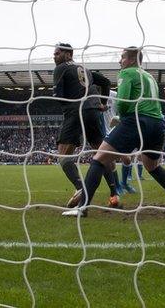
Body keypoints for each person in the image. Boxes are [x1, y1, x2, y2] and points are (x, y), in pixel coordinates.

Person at [63, 47, 165, 217]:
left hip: (137, 121)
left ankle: (82, 208)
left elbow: (122, 102)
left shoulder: (127, 73)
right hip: (157, 124)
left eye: (122, 57)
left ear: (131, 60)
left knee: (98, 160)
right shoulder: (149, 76)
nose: (119, 61)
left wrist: (119, 118)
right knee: (152, 166)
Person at [52, 43, 121, 209]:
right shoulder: (85, 69)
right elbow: (105, 82)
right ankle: (114, 195)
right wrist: (103, 103)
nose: (54, 56)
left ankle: (81, 189)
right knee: (101, 154)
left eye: (57, 53)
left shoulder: (60, 68)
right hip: (94, 110)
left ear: (69, 54)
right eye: (54, 54)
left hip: (76, 111)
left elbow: (59, 98)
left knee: (63, 155)